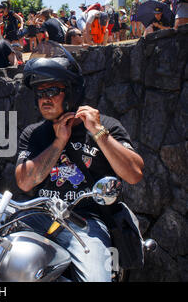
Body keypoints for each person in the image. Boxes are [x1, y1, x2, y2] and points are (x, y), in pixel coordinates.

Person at [15, 48, 144, 282]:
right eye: (39, 92)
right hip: (39, 215)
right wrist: (58, 142)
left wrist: (98, 133)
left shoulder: (106, 126)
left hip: (85, 223)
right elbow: (24, 182)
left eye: (52, 90)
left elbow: (134, 174)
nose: (45, 98)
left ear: (72, 91)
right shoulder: (33, 134)